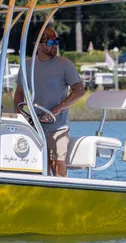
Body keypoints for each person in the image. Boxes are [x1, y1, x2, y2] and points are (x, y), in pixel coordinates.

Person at [13, 27, 85, 177]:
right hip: (34, 127)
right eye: (50, 41)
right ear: (38, 44)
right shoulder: (27, 65)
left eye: (56, 41)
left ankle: (64, 196)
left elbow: (79, 91)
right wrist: (22, 118)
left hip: (58, 127)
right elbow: (19, 94)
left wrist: (56, 110)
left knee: (57, 165)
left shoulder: (65, 65)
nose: (54, 45)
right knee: (38, 167)